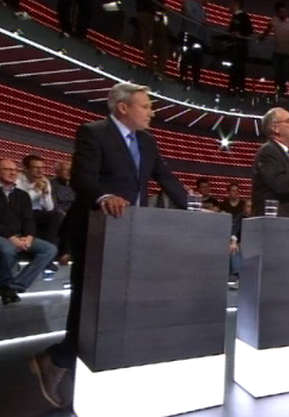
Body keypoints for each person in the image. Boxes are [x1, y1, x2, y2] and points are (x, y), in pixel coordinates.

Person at [33, 83, 189, 409]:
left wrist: (197, 208)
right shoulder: (93, 132)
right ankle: (58, 360)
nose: (151, 112)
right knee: (89, 301)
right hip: (94, 226)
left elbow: (165, 178)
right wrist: (105, 196)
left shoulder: (147, 141)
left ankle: (87, 363)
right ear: (123, 107)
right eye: (145, 106)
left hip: (131, 231)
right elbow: (82, 178)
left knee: (121, 303)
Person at [0, 158, 57, 304]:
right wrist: (11, 238)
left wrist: (29, 237)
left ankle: (14, 286)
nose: (12, 173)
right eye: (7, 169)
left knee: (49, 250)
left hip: (20, 235)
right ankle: (5, 286)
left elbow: (29, 219)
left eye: (14, 170)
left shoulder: (21, 195)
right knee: (8, 250)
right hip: (3, 235)